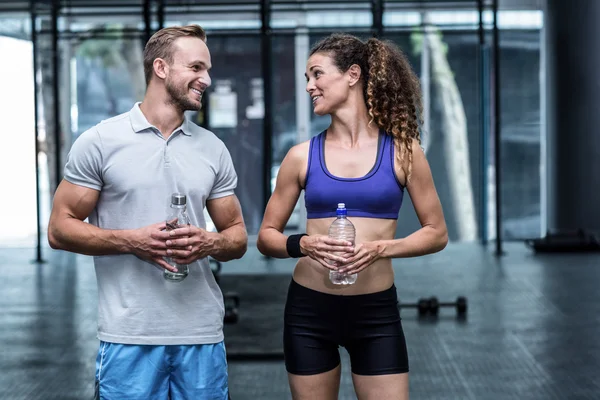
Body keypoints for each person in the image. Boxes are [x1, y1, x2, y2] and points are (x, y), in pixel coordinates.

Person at [48, 25, 247, 400]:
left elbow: (236, 236)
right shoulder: (100, 142)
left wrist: (209, 242)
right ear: (161, 68)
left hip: (201, 334)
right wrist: (131, 241)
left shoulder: (212, 148)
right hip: (129, 335)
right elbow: (59, 230)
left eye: (207, 69)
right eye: (196, 67)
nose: (207, 79)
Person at [257, 33, 448, 400]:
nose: (310, 86)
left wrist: (380, 249)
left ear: (353, 75)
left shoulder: (404, 152)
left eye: (317, 74)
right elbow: (267, 235)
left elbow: (436, 232)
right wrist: (305, 244)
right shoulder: (300, 156)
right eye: (307, 79)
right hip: (309, 311)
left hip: (375, 312)